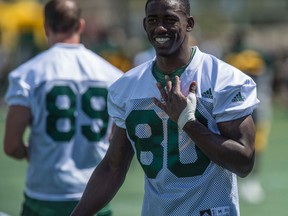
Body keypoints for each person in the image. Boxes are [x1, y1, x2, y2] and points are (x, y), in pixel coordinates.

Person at [71, 0, 259, 215]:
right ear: (145, 25)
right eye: (153, 20)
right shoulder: (128, 87)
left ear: (189, 23)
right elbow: (113, 166)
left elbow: (244, 162)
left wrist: (188, 123)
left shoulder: (223, 79)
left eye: (170, 19)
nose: (160, 28)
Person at [3, 0, 122, 215]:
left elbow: (11, 146)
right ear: (81, 25)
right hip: (95, 192)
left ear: (46, 27)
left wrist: (29, 152)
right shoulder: (113, 76)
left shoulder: (27, 74)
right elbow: (117, 140)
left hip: (44, 195)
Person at [224, 29, 273, 204]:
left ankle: (240, 180)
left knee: (232, 142)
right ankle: (251, 181)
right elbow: (269, 71)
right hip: (258, 101)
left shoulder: (229, 56)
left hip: (234, 105)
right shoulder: (258, 54)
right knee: (255, 144)